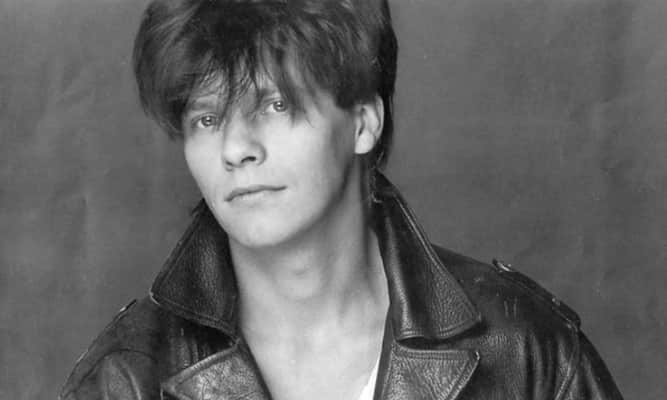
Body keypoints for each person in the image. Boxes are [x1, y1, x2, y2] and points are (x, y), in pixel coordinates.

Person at [60, 1, 624, 399]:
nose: (235, 149)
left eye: (275, 105)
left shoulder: (526, 353)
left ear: (363, 121)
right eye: (206, 119)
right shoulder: (126, 379)